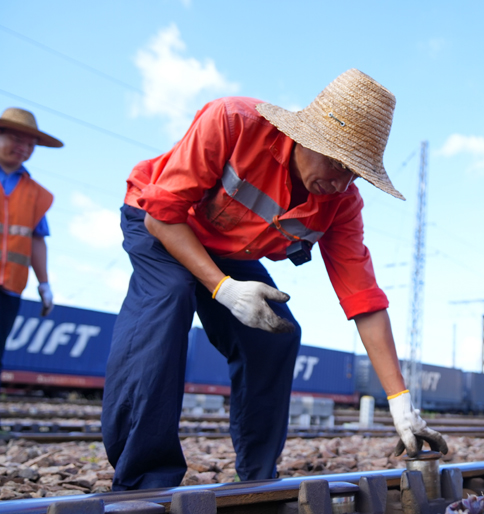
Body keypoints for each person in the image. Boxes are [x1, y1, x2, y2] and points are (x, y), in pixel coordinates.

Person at [103, 69, 446, 491]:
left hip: (225, 249)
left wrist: (400, 402)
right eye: (338, 163)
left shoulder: (341, 204)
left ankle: (256, 479)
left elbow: (364, 299)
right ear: (307, 136)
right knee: (170, 297)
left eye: (354, 173)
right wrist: (223, 289)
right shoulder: (232, 122)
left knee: (276, 334)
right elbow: (162, 215)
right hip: (161, 221)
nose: (341, 181)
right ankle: (142, 480)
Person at [0, 108, 61, 365]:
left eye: (30, 143)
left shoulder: (37, 194)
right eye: (16, 138)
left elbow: (37, 239)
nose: (23, 147)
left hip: (10, 288)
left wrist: (44, 284)